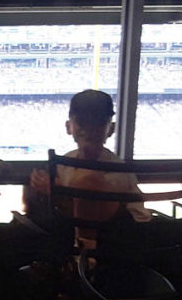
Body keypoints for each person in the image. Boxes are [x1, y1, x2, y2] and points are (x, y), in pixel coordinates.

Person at [28, 89, 150, 247]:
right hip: (84, 235)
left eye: (98, 122)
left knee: (88, 180)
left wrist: (55, 190)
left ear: (111, 129)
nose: (90, 128)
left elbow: (94, 215)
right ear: (68, 127)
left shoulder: (118, 170)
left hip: (121, 239)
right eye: (82, 121)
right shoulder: (66, 162)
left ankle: (82, 265)